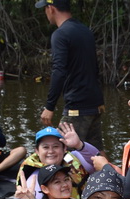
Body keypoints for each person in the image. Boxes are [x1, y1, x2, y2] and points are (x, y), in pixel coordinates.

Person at [36, 0, 105, 151]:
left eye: (45, 8)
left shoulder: (60, 34)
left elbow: (59, 70)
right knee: (95, 151)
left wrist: (49, 106)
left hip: (77, 106)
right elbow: (95, 68)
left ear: (51, 8)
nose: (46, 12)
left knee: (60, 150)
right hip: (95, 103)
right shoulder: (85, 31)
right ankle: (110, 168)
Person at [16, 123, 98, 199]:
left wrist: (79, 144)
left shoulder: (75, 157)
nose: (51, 151)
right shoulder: (33, 178)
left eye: (56, 146)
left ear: (64, 148)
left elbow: (100, 162)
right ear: (37, 151)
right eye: (45, 147)